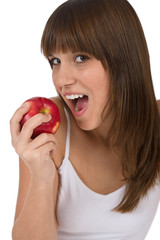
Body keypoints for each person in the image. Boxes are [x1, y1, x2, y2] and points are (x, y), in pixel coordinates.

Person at [10, 0, 160, 239]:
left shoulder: (156, 124)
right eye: (55, 61)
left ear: (123, 60)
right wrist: (41, 175)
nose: (61, 79)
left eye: (80, 58)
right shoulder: (52, 128)